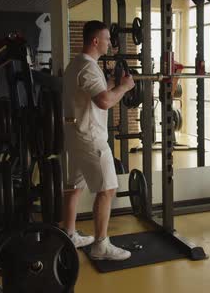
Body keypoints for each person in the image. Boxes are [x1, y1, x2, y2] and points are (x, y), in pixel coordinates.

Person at [62, 20, 135, 260]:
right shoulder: (89, 68)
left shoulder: (76, 64)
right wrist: (124, 88)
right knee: (107, 189)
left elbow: (94, 93)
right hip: (91, 138)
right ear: (95, 41)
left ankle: (70, 234)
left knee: (74, 187)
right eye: (106, 39)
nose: (109, 43)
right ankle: (101, 246)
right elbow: (103, 101)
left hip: (75, 136)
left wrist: (113, 84)